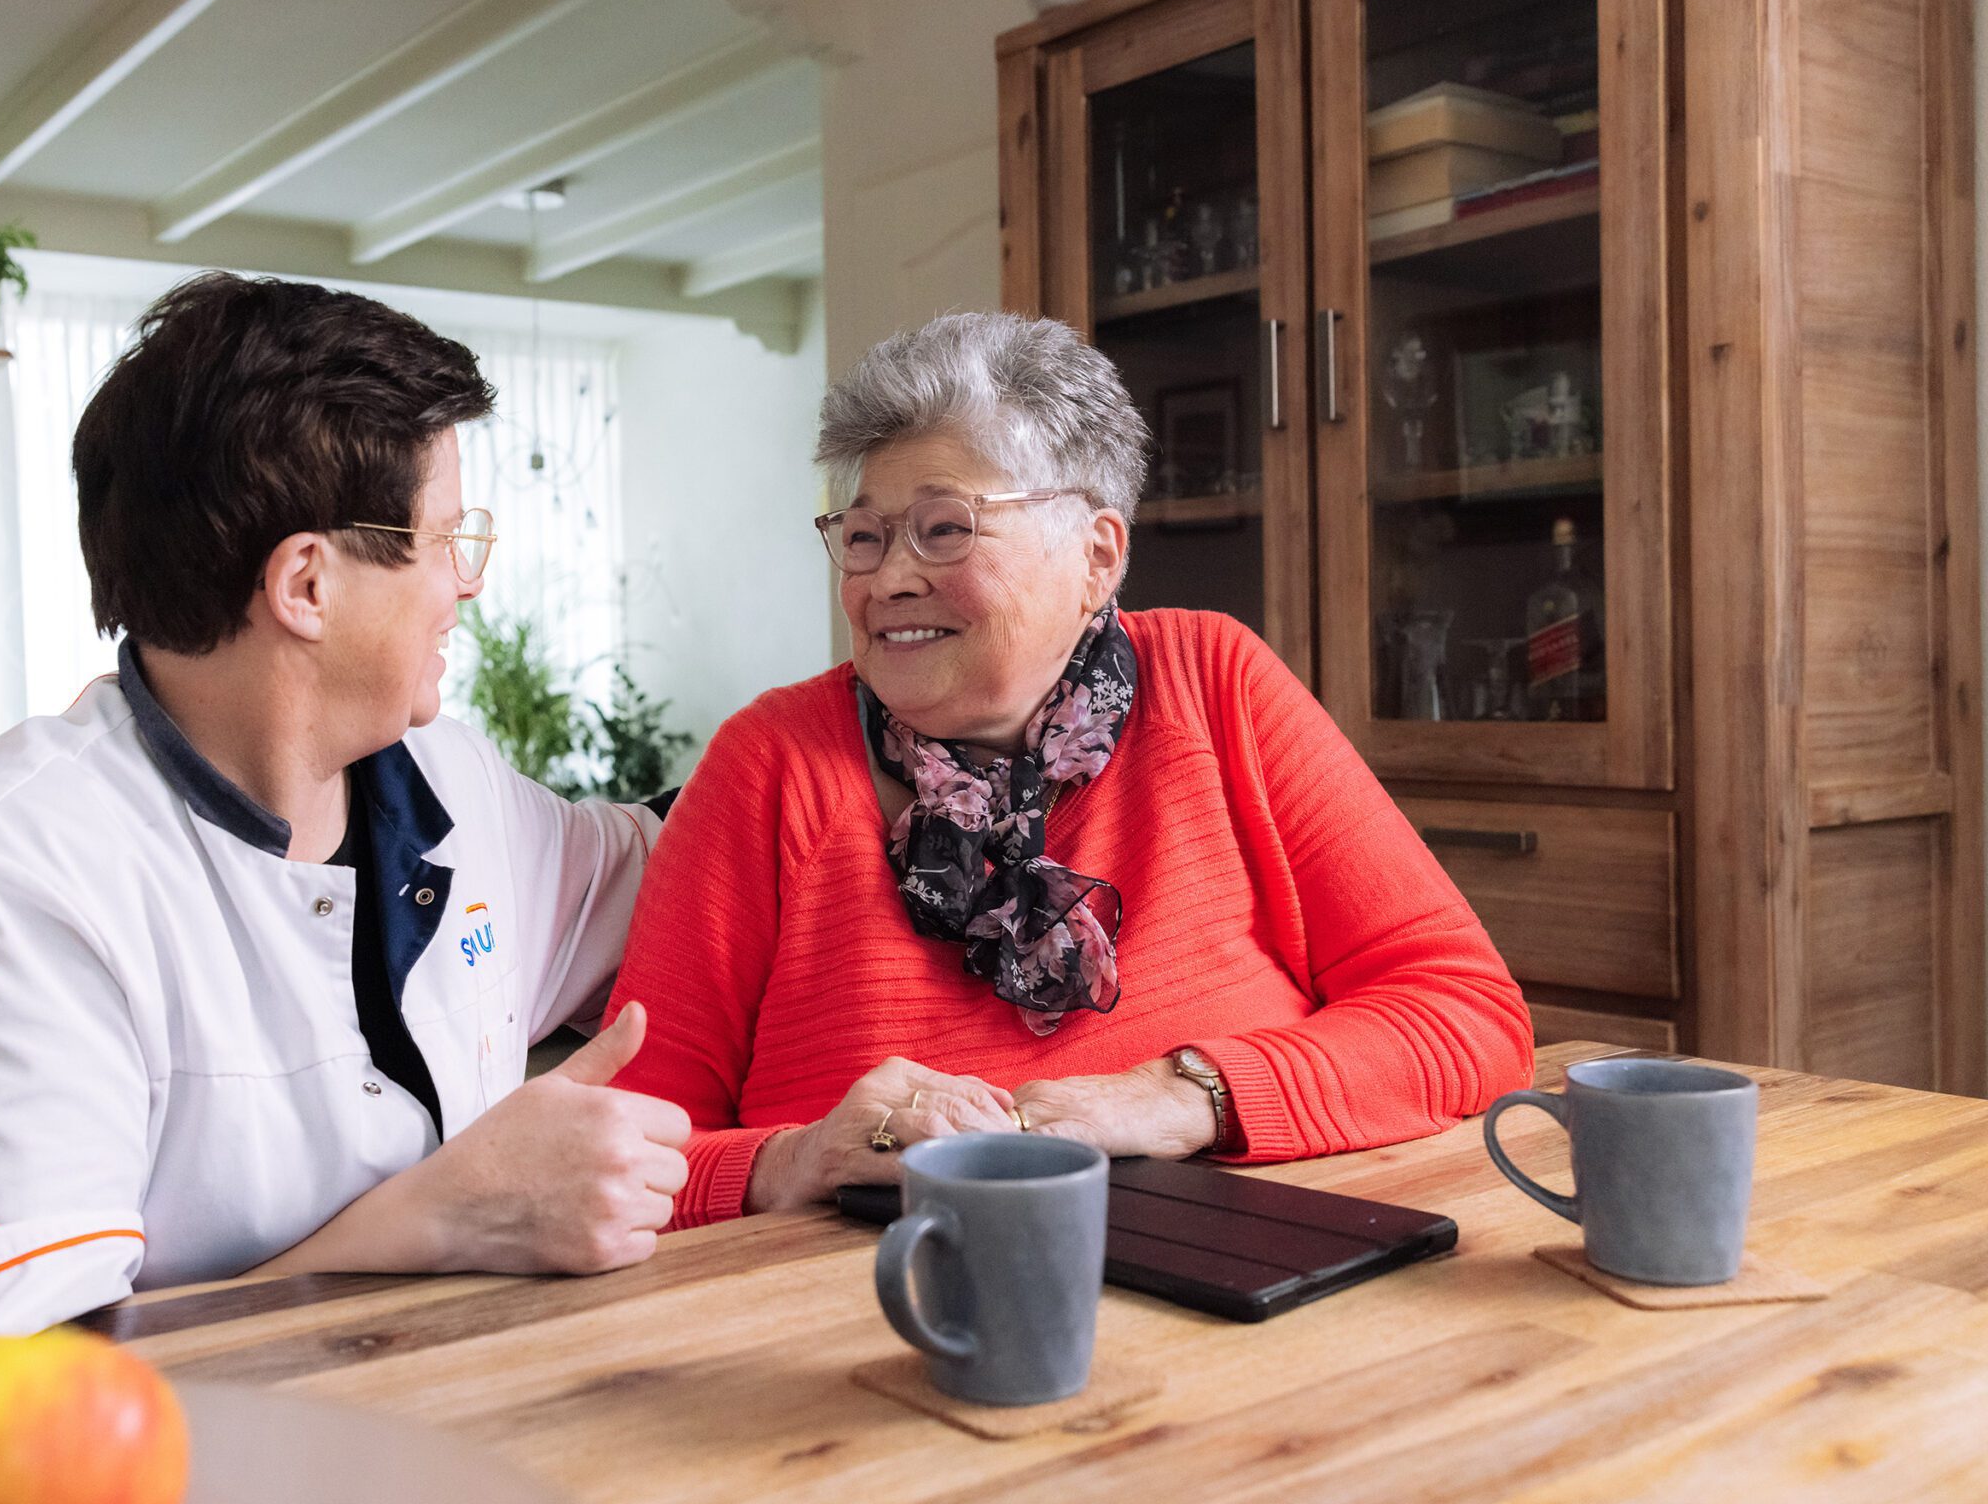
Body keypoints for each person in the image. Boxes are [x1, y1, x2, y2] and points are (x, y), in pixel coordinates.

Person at [0, 275, 689, 1388]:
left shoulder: (450, 784)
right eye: (448, 538)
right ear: (306, 581)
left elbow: (693, 859)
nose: (470, 583)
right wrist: (431, 1223)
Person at [607, 311, 1532, 1226]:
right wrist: (797, 1159)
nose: (887, 579)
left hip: (1245, 1260)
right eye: (863, 536)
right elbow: (618, 1149)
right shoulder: (769, 766)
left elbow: (1465, 1012)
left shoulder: (1216, 684)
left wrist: (1178, 1098)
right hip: (876, 1304)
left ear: (1095, 558)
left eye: (943, 529)